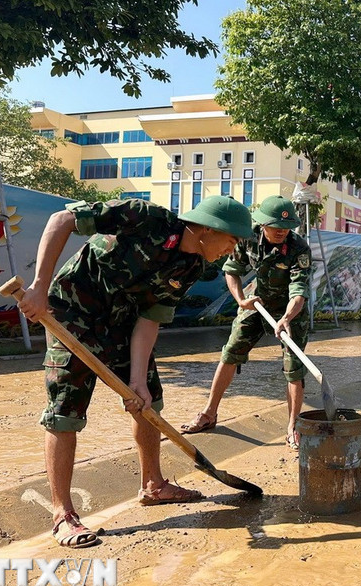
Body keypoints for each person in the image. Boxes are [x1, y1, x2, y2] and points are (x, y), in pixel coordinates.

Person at [17, 196, 253, 548]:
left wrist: (137, 381)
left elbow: (150, 319)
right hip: (73, 317)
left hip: (124, 326)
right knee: (64, 413)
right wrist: (38, 286)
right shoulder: (145, 218)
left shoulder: (192, 267)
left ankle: (153, 485)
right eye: (232, 241)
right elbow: (62, 219)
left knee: (148, 403)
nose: (232, 251)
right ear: (207, 229)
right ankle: (63, 514)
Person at [181, 195, 312, 450]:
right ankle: (209, 413)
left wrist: (286, 318)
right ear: (262, 224)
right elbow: (232, 270)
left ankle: (293, 425)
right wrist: (241, 300)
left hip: (290, 312)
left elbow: (298, 292)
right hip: (257, 303)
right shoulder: (247, 237)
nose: (281, 232)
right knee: (230, 352)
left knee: (294, 368)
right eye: (275, 228)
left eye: (285, 229)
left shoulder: (299, 249)